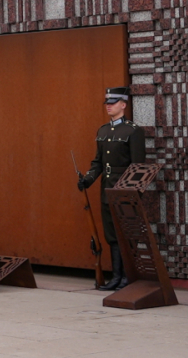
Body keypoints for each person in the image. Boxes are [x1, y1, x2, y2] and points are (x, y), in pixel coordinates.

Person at [79, 85, 147, 291]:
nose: (108, 106)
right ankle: (116, 278)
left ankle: (128, 278)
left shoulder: (133, 131)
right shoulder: (103, 130)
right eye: (107, 103)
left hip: (124, 192)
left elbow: (138, 166)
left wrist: (132, 193)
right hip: (107, 191)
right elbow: (98, 162)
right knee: (111, 235)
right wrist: (88, 179)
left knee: (126, 234)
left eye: (113, 103)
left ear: (123, 104)